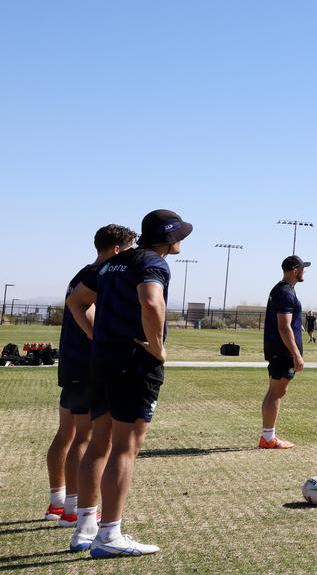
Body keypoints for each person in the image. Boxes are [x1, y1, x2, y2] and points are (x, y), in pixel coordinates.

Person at [73, 209, 193, 557]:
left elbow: (76, 300)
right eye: (180, 233)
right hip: (133, 364)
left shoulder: (115, 262)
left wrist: (100, 337)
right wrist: (157, 348)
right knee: (125, 448)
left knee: (99, 444)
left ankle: (85, 529)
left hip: (103, 361)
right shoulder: (153, 263)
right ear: (169, 238)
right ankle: (109, 536)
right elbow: (151, 301)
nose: (182, 239)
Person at [46, 225, 137, 527]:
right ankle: (73, 509)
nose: (133, 252)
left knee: (67, 434)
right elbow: (91, 320)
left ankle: (58, 502)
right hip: (86, 365)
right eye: (131, 246)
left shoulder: (81, 275)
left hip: (71, 365)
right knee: (86, 438)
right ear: (116, 250)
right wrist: (103, 340)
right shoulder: (101, 276)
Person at [260, 255, 309, 449]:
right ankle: (268, 437)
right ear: (294, 270)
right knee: (276, 392)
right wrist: (296, 354)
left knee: (275, 391)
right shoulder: (286, 293)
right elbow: (284, 327)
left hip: (278, 350)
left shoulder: (281, 290)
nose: (305, 271)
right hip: (282, 352)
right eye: (302, 268)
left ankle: (268, 435)